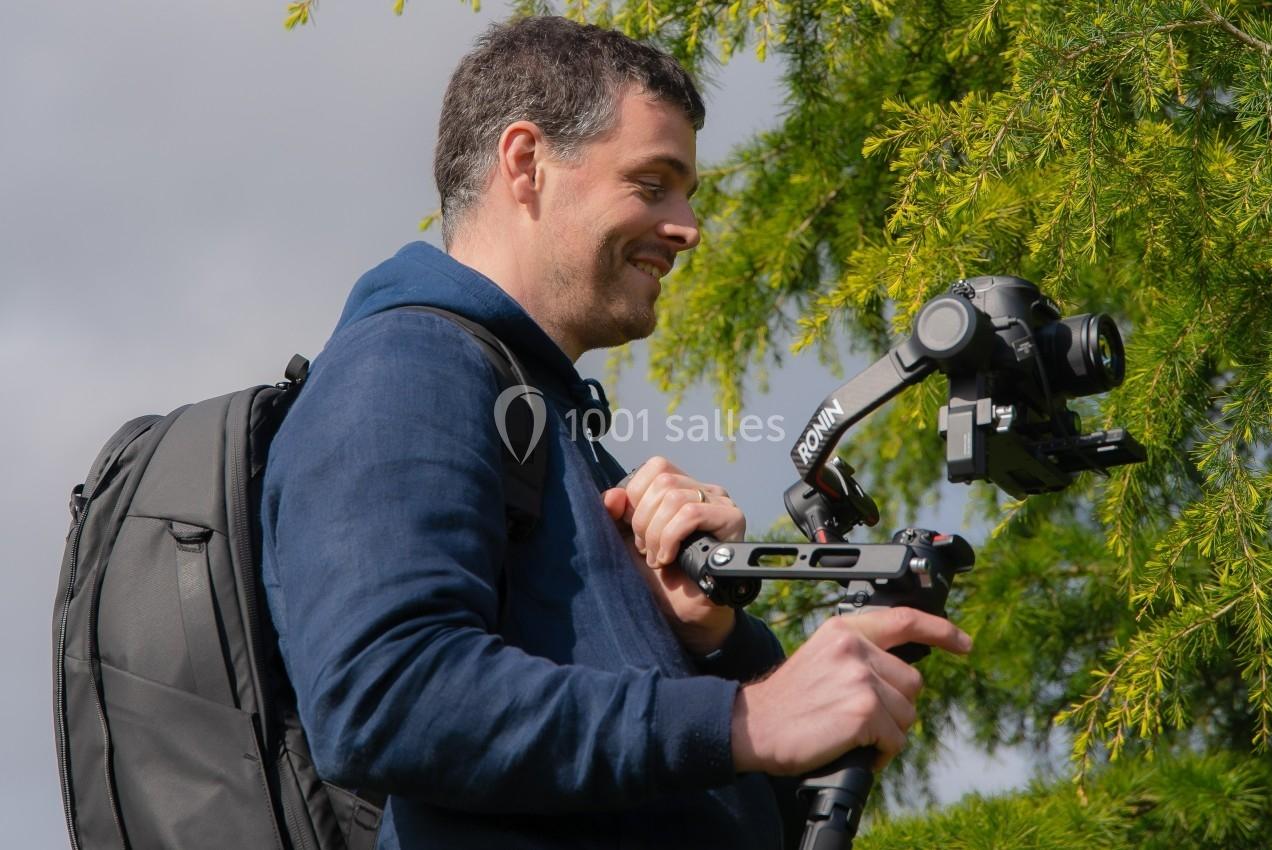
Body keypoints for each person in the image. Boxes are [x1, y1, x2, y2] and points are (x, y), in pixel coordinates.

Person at [260, 15, 972, 850]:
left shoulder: (545, 417)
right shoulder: (406, 363)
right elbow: (383, 696)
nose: (688, 227)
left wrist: (711, 642)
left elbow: (710, 791)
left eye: (687, 194)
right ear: (525, 163)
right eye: (652, 183)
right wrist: (740, 717)